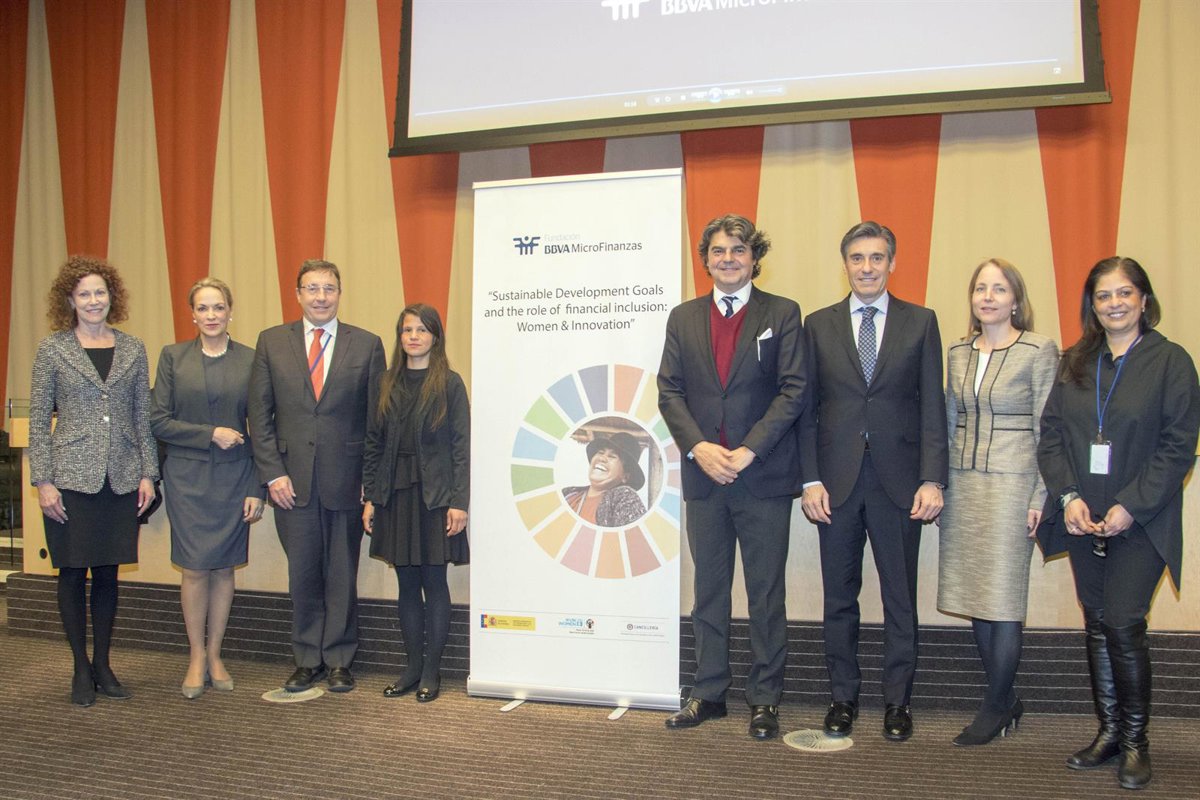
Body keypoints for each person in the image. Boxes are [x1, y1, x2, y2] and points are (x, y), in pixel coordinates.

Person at [1037, 257, 1200, 790]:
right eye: (1103, 296)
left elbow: (1178, 447)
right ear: (1092, 305)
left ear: (1144, 300)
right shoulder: (1076, 362)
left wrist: (1130, 504)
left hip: (1142, 520)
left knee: (1125, 624)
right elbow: (1052, 436)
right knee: (1097, 621)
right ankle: (1108, 732)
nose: (1114, 304)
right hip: (1084, 518)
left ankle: (1135, 742)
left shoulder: (1171, 361)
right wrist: (1068, 498)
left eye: (1124, 293)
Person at [658, 213, 807, 740]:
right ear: (706, 260)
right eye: (718, 251)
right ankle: (709, 692)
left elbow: (794, 390)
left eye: (738, 250)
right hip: (704, 478)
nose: (728, 259)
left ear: (754, 258)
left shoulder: (782, 313)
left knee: (766, 594)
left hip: (761, 477)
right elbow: (669, 391)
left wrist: (747, 451)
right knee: (709, 591)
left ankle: (765, 699)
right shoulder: (683, 317)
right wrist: (699, 448)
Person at [799, 221, 948, 742]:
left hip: (899, 484)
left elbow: (932, 406)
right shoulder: (817, 325)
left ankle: (897, 701)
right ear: (845, 264)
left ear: (892, 262)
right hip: (835, 485)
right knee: (839, 598)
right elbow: (807, 411)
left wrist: (932, 478)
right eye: (858, 258)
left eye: (877, 258)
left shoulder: (921, 322)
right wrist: (809, 479)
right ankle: (842, 697)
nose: (867, 267)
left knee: (899, 598)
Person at [248, 259, 386, 693]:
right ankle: (308, 659)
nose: (321, 297)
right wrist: (273, 474)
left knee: (342, 574)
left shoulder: (367, 345)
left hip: (347, 482)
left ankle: (340, 659)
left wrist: (370, 485)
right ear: (298, 294)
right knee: (303, 575)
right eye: (312, 288)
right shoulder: (271, 342)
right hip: (291, 485)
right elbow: (259, 415)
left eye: (329, 288)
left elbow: (376, 422)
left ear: (340, 293)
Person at [937, 259, 1059, 745]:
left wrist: (1041, 494)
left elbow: (1048, 428)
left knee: (1003, 598)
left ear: (1015, 300)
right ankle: (1004, 698)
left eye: (999, 289)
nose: (988, 297)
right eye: (981, 288)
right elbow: (948, 422)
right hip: (962, 485)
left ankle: (995, 705)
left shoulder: (1039, 350)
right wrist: (939, 485)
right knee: (976, 595)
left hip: (1014, 486)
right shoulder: (957, 352)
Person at [30, 255, 159, 707]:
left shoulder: (133, 348)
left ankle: (103, 664)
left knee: (107, 574)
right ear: (70, 300)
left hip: (120, 478)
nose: (92, 301)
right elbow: (38, 421)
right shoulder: (53, 349)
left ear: (111, 297)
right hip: (69, 479)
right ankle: (80, 668)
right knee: (71, 572)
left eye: (99, 292)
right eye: (83, 294)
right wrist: (43, 481)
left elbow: (142, 417)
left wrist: (148, 473)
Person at [150, 277, 265, 699]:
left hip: (236, 478)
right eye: (203, 308)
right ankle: (195, 655)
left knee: (224, 568)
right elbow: (158, 420)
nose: (211, 315)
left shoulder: (252, 360)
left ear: (230, 312)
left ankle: (215, 654)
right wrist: (210, 433)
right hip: (188, 479)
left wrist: (257, 487)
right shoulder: (172, 357)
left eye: (218, 307)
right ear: (192, 314)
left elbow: (262, 428)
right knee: (196, 568)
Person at [363, 303, 469, 703]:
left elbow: (461, 447)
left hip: (436, 497)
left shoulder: (450, 384)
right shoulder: (385, 382)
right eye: (407, 330)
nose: (413, 337)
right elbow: (373, 443)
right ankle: (410, 668)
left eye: (422, 330)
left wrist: (459, 502)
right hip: (394, 494)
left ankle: (431, 671)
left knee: (434, 582)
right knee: (406, 584)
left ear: (435, 337)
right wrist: (371, 497)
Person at [560, 431, 647, 527]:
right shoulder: (568, 494)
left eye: (612, 456)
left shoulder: (625, 497)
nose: (602, 458)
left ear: (625, 476)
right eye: (600, 452)